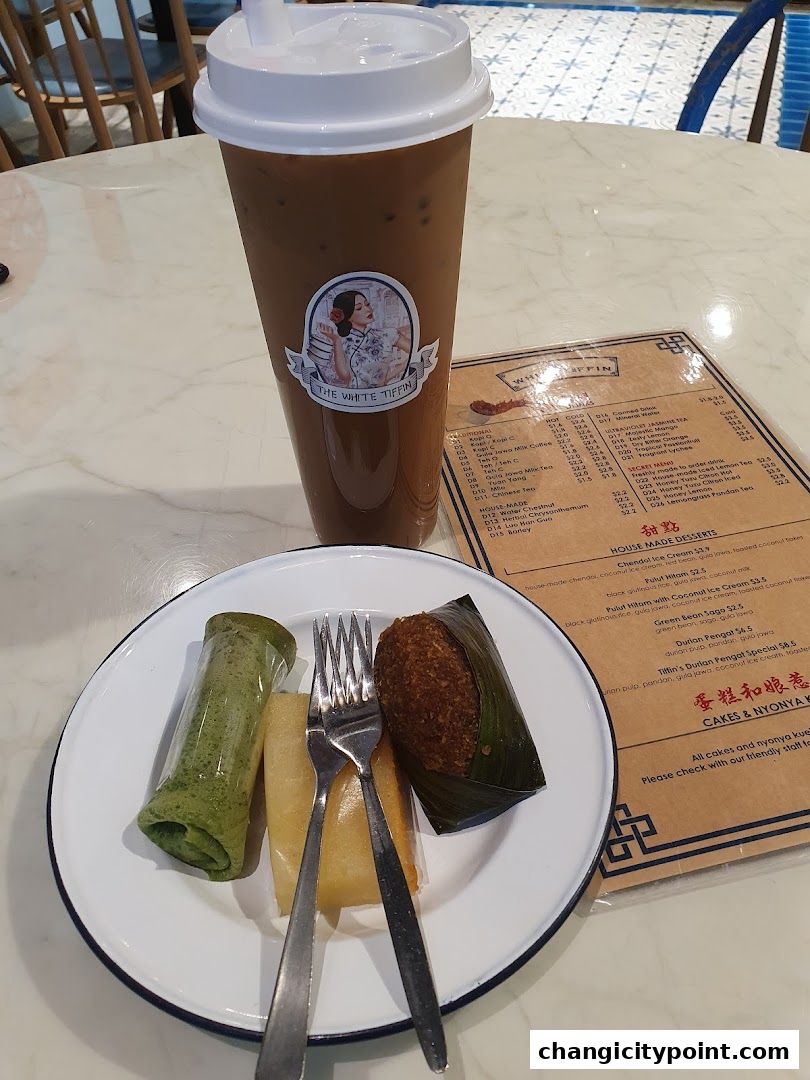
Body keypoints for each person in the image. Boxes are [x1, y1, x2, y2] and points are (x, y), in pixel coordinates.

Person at [313, 290, 411, 389]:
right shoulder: (343, 341)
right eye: (359, 308)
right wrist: (336, 341)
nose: (368, 310)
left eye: (367, 304)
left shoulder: (387, 334)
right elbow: (345, 376)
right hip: (353, 397)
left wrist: (388, 377)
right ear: (348, 316)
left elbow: (413, 351)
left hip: (382, 395)